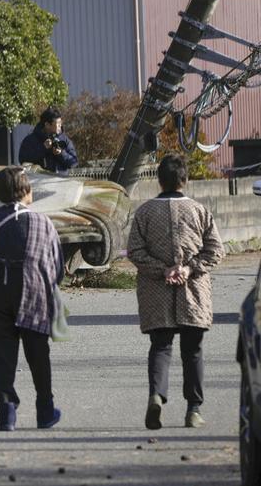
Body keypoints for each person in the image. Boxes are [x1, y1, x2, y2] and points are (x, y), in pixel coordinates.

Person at [127, 154, 224, 430]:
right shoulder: (199, 210)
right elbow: (216, 250)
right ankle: (193, 409)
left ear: (159, 181)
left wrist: (162, 269)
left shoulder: (144, 212)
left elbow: (134, 250)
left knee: (160, 346)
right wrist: (190, 268)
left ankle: (156, 394)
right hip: (193, 291)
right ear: (185, 180)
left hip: (155, 291)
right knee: (193, 351)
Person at [0, 166, 64, 431]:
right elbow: (57, 266)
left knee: (2, 354)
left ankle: (7, 412)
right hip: (34, 293)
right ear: (25, 191)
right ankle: (45, 411)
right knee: (38, 354)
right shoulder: (44, 222)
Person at [18, 107, 78, 174]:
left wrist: (61, 153)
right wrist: (43, 148)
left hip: (61, 182)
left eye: (61, 122)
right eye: (58, 123)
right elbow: (23, 160)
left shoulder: (64, 139)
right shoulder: (30, 140)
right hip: (38, 181)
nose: (60, 125)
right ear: (47, 125)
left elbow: (74, 163)